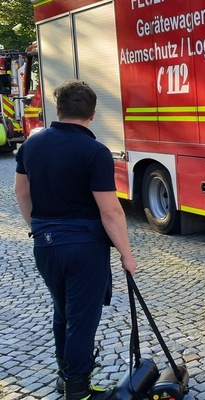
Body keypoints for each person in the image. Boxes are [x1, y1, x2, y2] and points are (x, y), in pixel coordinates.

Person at [14, 80, 138, 399]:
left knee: (63, 312)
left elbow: (21, 193)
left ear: (58, 109)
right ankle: (79, 389)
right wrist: (126, 254)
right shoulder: (94, 151)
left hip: (46, 245)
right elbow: (110, 211)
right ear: (92, 114)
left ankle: (65, 376)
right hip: (84, 248)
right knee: (82, 318)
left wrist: (40, 229)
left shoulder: (31, 145)